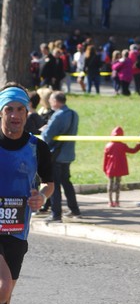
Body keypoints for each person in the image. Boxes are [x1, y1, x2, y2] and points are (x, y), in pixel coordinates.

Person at [0, 83, 54, 304]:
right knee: (2, 286)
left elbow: (49, 182)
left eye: (20, 109)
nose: (15, 115)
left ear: (27, 112)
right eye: (9, 109)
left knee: (6, 294)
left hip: (17, 228)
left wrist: (41, 196)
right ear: (1, 113)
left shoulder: (37, 146)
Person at [41, 91, 81, 222]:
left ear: (56, 102)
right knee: (67, 183)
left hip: (57, 155)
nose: (50, 103)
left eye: (51, 101)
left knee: (54, 185)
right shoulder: (74, 114)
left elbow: (47, 136)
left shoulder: (58, 115)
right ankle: (74, 209)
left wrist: (44, 129)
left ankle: (56, 213)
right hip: (68, 154)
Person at [103, 127, 140, 207]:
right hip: (119, 168)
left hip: (110, 168)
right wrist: (139, 145)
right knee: (118, 183)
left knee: (110, 183)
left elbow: (105, 158)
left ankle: (110, 201)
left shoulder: (108, 145)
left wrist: (105, 168)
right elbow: (133, 151)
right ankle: (117, 201)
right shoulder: (122, 145)